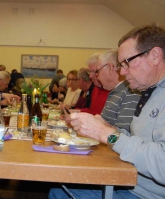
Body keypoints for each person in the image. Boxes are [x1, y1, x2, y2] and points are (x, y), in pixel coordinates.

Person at [50, 23, 165, 199]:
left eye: (127, 62)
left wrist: (108, 134)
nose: (123, 72)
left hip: (143, 194)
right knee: (58, 186)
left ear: (155, 55)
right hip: (129, 184)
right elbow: (139, 143)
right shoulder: (149, 91)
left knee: (59, 194)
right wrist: (108, 128)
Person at [98, 49, 140, 131]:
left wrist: (98, 126)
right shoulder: (116, 92)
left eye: (98, 71)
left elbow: (125, 135)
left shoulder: (131, 92)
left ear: (110, 68)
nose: (97, 76)